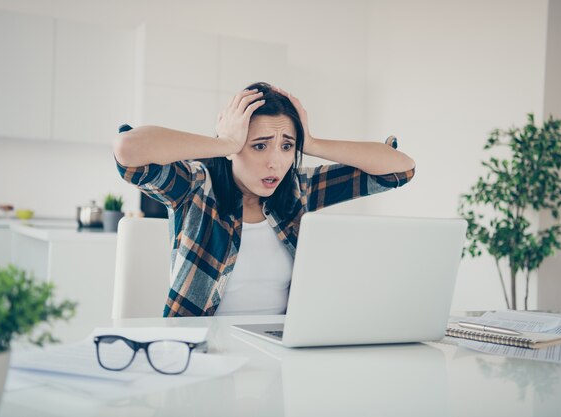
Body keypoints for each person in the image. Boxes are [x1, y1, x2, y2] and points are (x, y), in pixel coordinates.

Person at [114, 81, 415, 317]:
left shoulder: (298, 190)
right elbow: (128, 151)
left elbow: (398, 170)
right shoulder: (196, 189)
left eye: (286, 147)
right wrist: (225, 142)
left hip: (280, 353)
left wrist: (311, 142)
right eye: (259, 146)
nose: (276, 163)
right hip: (200, 352)